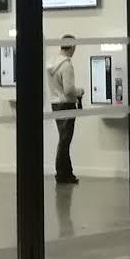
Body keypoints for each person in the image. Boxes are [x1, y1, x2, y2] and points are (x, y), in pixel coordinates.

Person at [47, 35, 83, 184]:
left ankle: (67, 173)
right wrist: (80, 91)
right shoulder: (66, 65)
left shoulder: (51, 63)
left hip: (55, 104)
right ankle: (62, 174)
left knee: (63, 139)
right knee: (65, 140)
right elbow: (69, 90)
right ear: (72, 47)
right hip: (66, 105)